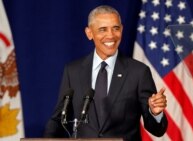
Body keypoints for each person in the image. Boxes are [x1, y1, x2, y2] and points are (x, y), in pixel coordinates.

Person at [44, 5, 168, 141]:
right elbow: (58, 119)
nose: (111, 35)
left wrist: (155, 113)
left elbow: (157, 130)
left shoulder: (138, 72)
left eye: (116, 28)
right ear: (89, 33)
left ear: (122, 29)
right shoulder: (73, 71)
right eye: (103, 29)